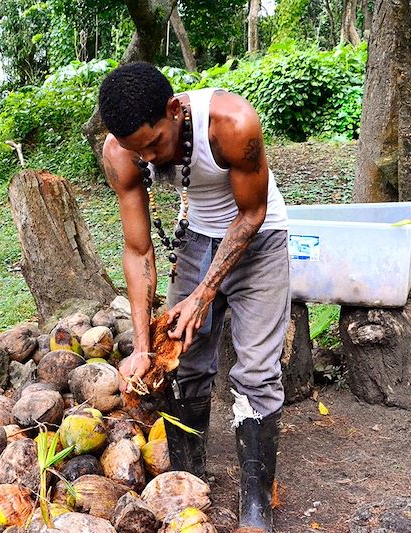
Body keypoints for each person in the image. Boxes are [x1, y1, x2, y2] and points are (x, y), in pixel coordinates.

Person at [98, 62, 290, 533]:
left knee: (256, 370)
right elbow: (138, 248)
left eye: (154, 143)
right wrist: (143, 348)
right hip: (198, 241)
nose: (148, 158)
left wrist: (205, 293)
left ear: (174, 111)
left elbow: (252, 213)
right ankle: (189, 478)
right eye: (136, 151)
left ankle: (256, 503)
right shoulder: (122, 151)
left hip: (260, 239)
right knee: (180, 361)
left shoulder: (231, 123)